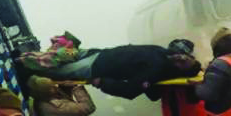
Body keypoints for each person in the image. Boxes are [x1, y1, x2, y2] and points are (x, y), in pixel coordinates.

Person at [25, 44, 201, 100]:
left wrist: (102, 83)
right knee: (54, 55)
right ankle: (24, 58)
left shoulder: (156, 70)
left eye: (184, 63)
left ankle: (22, 73)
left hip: (95, 67)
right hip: (98, 52)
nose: (182, 58)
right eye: (187, 57)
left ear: (179, 71)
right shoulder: (164, 52)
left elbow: (130, 91)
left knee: (56, 72)